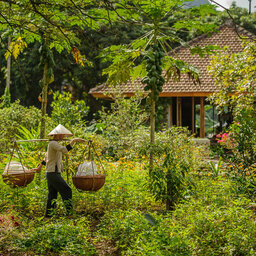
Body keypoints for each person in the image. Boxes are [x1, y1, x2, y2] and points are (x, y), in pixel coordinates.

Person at [34, 124, 85, 218]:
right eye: (61, 135)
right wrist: (74, 141)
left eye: (63, 135)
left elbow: (46, 157)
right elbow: (65, 150)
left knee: (52, 195)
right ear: (56, 135)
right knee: (67, 190)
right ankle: (70, 214)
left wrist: (39, 167)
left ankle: (48, 217)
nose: (63, 137)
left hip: (52, 173)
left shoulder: (54, 144)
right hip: (53, 173)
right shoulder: (53, 143)